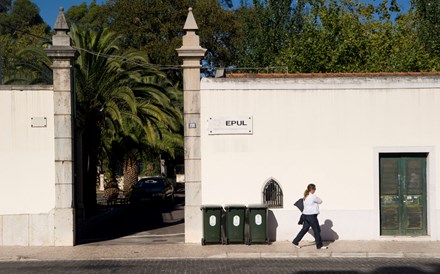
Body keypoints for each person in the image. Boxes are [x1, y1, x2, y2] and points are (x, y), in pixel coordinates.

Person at [292, 183, 328, 249]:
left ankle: (295, 241)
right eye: (315, 189)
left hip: (305, 216)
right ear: (312, 189)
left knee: (304, 229)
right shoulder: (313, 197)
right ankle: (319, 245)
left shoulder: (305, 197)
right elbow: (320, 201)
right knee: (317, 230)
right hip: (311, 217)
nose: (315, 190)